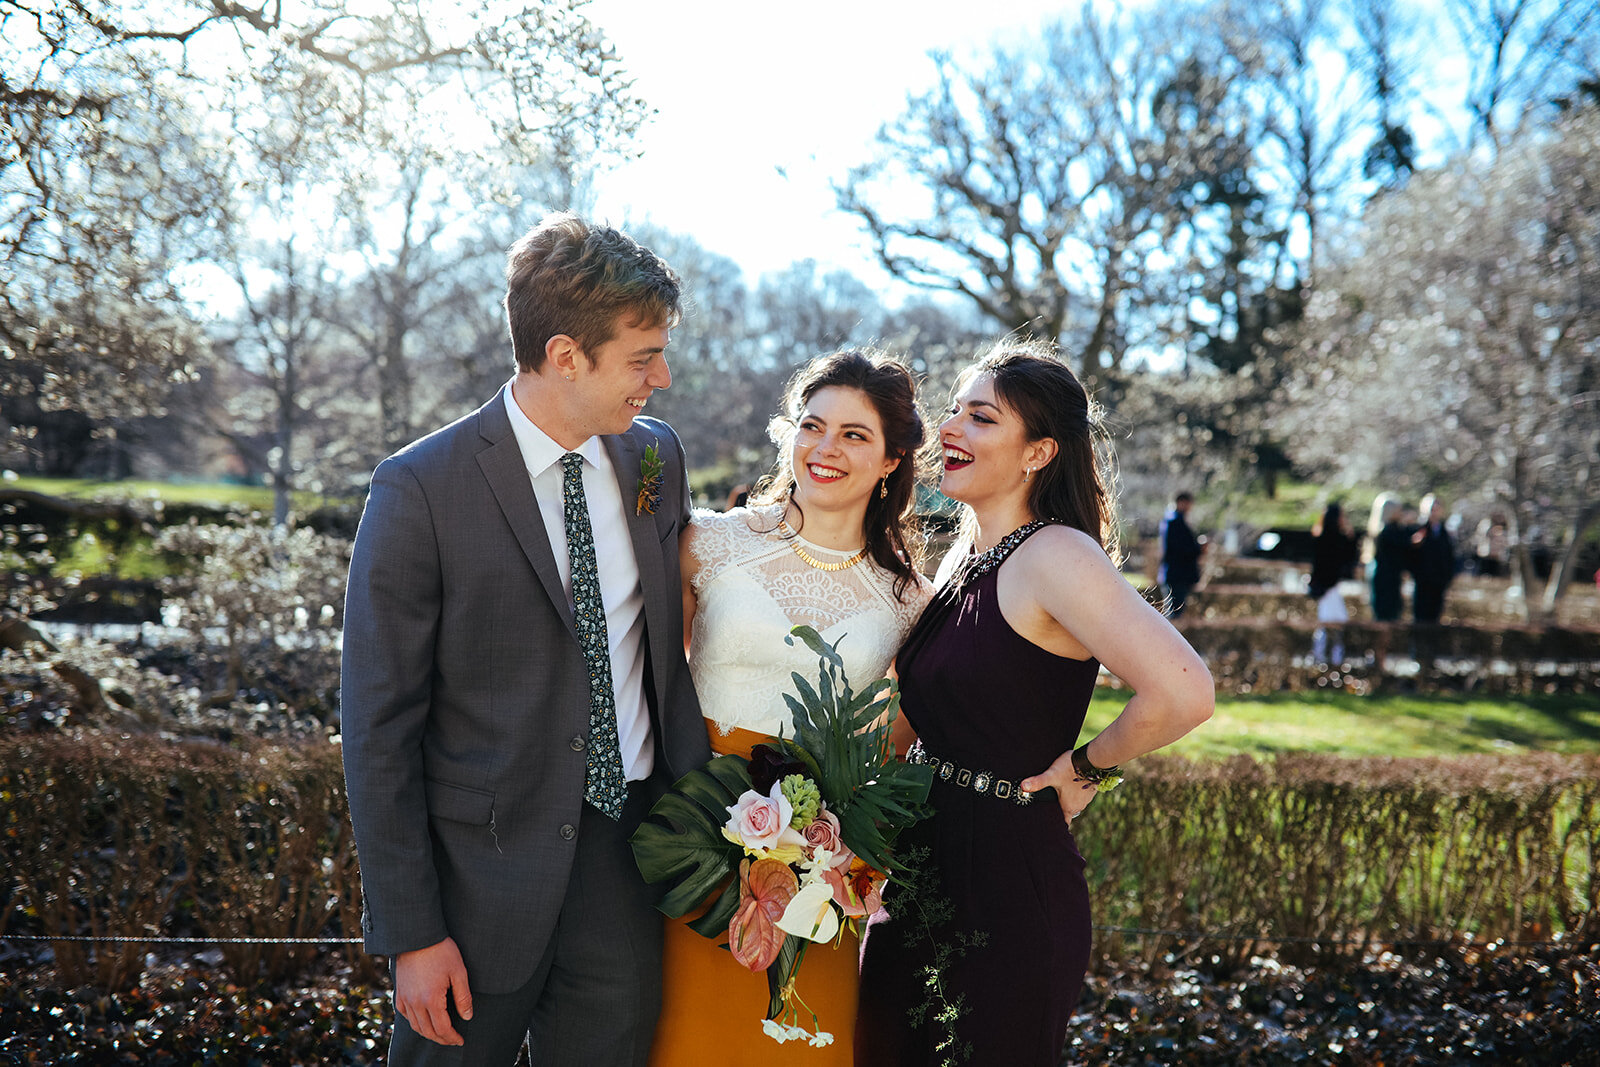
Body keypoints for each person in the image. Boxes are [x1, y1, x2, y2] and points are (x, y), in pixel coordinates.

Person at [340, 213, 712, 1067]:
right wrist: (412, 932)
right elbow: (377, 727)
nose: (661, 376)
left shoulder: (656, 458)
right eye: (641, 355)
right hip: (477, 887)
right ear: (566, 355)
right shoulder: (418, 490)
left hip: (630, 860)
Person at [855, 343, 1213, 1065]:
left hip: (1008, 882)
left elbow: (1184, 691)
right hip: (922, 867)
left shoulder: (1056, 555)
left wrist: (1086, 769)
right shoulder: (962, 554)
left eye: (981, 417)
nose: (951, 427)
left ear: (1038, 452)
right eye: (953, 408)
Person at [650, 349, 933, 1066]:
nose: (824, 448)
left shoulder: (908, 600)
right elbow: (649, 683)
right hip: (691, 846)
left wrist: (840, 831)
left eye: (854, 435)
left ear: (893, 459)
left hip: (818, 876)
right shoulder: (708, 543)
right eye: (812, 425)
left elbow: (903, 734)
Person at [1308, 501, 1359, 666]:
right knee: (1334, 623)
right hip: (1328, 587)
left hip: (1326, 586)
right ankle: (1328, 657)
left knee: (1329, 623)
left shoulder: (1320, 536)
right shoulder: (1337, 538)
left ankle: (1324, 656)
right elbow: (1349, 558)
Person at [1158, 490, 1204, 617]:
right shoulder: (1174, 522)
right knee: (1174, 614)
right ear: (1181, 503)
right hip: (1177, 574)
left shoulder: (1173, 521)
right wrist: (1198, 548)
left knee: (1174, 612)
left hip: (1175, 574)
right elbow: (1180, 549)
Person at [1411, 493, 1456, 624]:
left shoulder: (1444, 531)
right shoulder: (1419, 529)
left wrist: (1447, 577)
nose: (1434, 512)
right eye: (1431, 509)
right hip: (1423, 582)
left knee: (1435, 616)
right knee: (1421, 618)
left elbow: (1449, 556)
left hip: (1439, 582)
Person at [1367, 494, 1409, 623]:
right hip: (1386, 580)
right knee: (1386, 615)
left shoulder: (1383, 530)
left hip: (1386, 577)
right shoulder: (1387, 532)